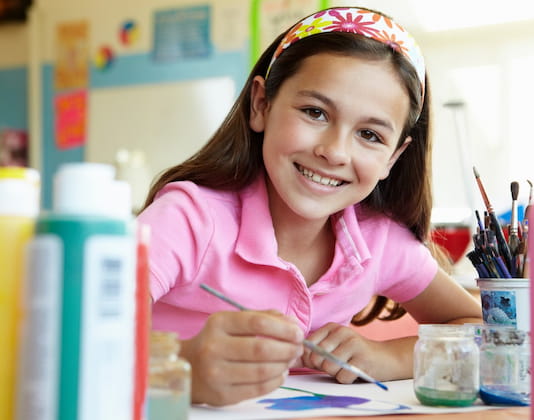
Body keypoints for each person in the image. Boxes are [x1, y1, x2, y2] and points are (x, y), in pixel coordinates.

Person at [138, 6, 482, 407]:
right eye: (315, 112)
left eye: (369, 134)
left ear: (393, 157)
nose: (334, 152)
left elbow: (482, 328)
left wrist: (389, 356)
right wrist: (182, 366)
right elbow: (68, 332)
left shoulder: (378, 241)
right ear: (261, 105)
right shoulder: (188, 219)